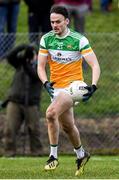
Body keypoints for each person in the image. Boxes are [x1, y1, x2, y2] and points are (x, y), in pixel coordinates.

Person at [37, 5, 100, 176]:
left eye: (58, 22)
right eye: (52, 22)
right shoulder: (46, 39)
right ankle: (81, 154)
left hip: (72, 87)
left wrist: (93, 86)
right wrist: (45, 82)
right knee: (68, 126)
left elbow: (94, 65)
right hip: (55, 89)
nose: (54, 25)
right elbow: (41, 67)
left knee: (50, 114)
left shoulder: (79, 40)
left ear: (67, 21)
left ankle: (53, 157)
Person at [3, 44, 43, 157]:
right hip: (14, 101)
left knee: (34, 130)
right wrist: (22, 47)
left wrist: (26, 61)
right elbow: (10, 57)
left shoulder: (41, 68)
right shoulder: (20, 64)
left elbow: (32, 74)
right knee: (10, 129)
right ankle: (9, 153)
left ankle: (37, 153)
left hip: (31, 104)